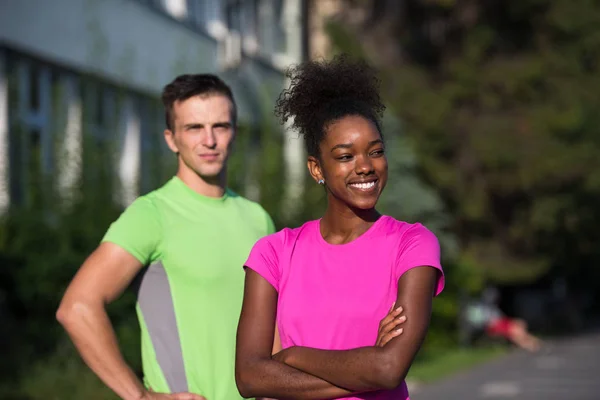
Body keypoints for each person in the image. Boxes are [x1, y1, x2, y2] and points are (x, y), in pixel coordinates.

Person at [235, 55, 445, 400]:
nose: (365, 166)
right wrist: (365, 369)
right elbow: (250, 377)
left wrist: (291, 357)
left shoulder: (412, 244)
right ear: (317, 169)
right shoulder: (274, 253)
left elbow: (390, 368)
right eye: (346, 156)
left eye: (375, 152)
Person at [57, 74, 276, 400]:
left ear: (234, 133)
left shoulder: (259, 219)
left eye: (220, 126)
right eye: (194, 128)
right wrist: (141, 397)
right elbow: (77, 307)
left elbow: (273, 331)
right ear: (171, 139)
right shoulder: (151, 215)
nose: (209, 140)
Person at [464, 288, 542, 352]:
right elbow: (485, 322)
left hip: (500, 322)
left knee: (520, 323)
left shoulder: (490, 306)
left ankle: (533, 342)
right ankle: (529, 344)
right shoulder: (481, 308)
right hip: (494, 326)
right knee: (515, 330)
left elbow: (499, 316)